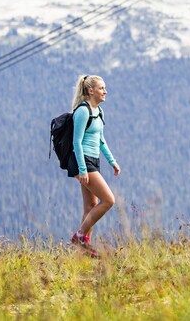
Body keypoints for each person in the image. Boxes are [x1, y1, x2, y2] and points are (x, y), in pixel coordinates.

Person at [68, 75, 120, 257]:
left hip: (93, 160)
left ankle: (84, 250)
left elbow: (101, 140)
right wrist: (82, 169)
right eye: (101, 88)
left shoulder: (99, 112)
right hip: (82, 161)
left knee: (91, 205)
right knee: (109, 200)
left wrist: (112, 161)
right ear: (91, 91)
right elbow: (77, 141)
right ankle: (80, 236)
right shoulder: (83, 111)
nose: (105, 91)